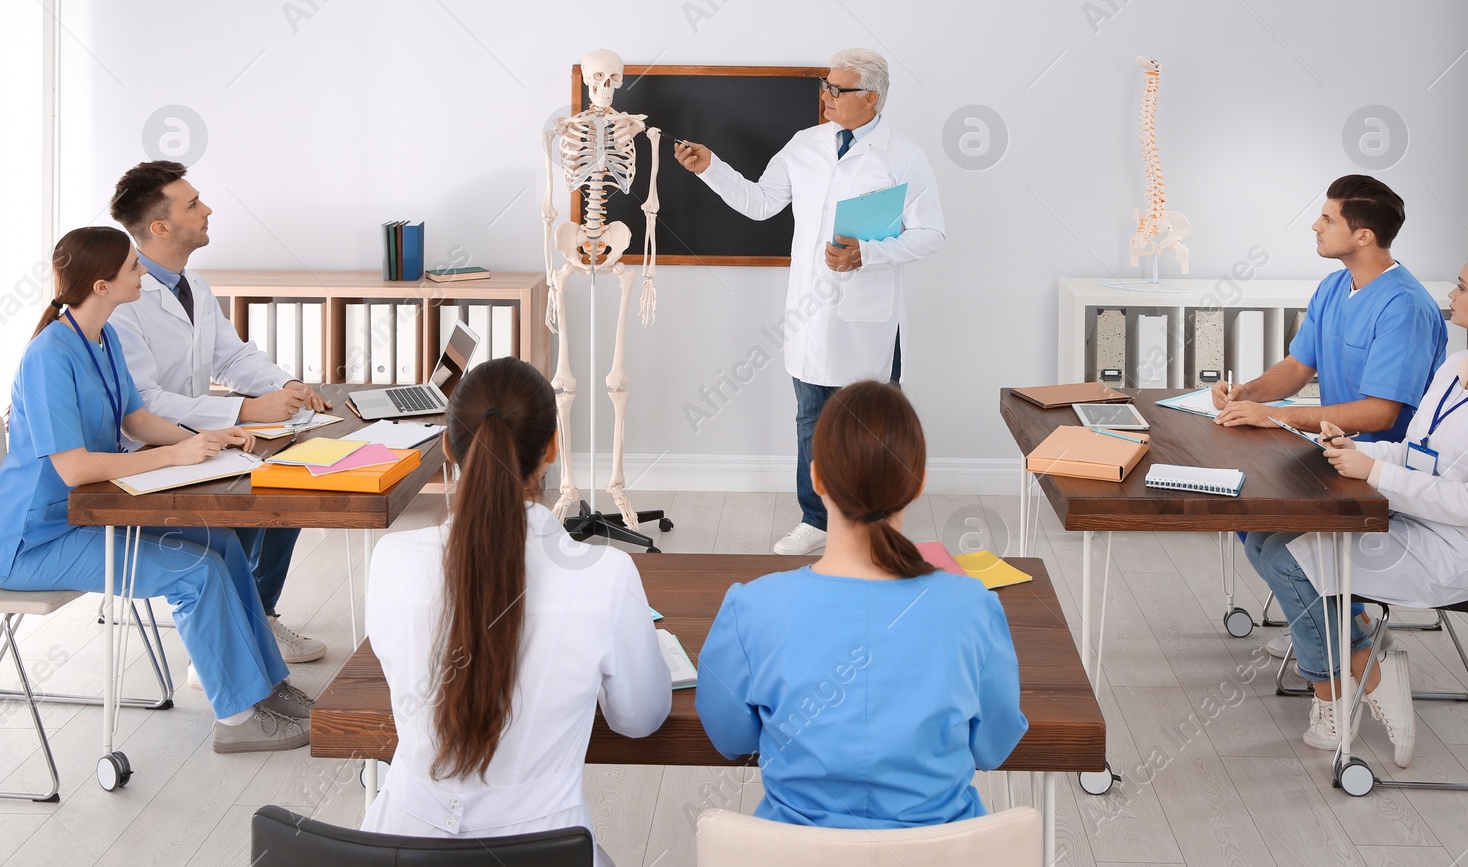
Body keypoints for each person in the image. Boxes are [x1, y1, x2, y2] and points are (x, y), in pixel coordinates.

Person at [0, 227, 315, 753]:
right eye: (134, 267)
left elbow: (137, 419)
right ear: (102, 285)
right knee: (196, 573)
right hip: (34, 541)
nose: (144, 274)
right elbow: (73, 469)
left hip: (86, 515)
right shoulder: (48, 357)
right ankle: (236, 717)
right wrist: (176, 455)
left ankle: (267, 686)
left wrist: (204, 439)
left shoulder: (103, 337)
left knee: (218, 541)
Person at [1245, 251, 1468, 768]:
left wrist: (1375, 474)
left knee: (1287, 557)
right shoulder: (1460, 366)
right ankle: (1367, 661)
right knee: (1266, 537)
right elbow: (1419, 453)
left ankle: (1342, 693)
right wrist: (1358, 449)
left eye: (1462, 287)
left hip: (1454, 551)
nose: (1450, 294)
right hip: (1407, 516)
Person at [362, 357, 670, 864]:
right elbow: (638, 719)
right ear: (553, 446)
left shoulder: (392, 561)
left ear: (446, 446)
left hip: (403, 846)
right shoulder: (606, 577)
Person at [695, 381, 1027, 827]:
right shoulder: (972, 607)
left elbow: (730, 737)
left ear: (816, 479)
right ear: (918, 481)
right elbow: (993, 747)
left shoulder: (751, 609)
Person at [675, 49, 945, 556]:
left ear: (871, 98)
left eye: (837, 90)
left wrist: (869, 254)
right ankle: (816, 519)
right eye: (825, 86)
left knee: (872, 426)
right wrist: (710, 168)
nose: (825, 97)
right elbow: (759, 204)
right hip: (809, 312)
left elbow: (932, 233)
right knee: (810, 420)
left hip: (868, 317)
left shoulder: (902, 155)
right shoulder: (804, 145)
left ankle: (875, 522)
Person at [108, 160, 329, 676]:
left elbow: (232, 358)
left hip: (199, 437)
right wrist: (246, 411)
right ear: (159, 227)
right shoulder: (124, 300)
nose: (206, 210)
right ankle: (229, 631)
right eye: (192, 204)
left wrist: (285, 388)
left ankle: (254, 614)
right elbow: (141, 404)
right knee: (257, 495)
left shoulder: (194, 285)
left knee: (288, 482)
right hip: (148, 452)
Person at [1213, 175, 1448, 657]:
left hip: (1381, 467)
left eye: (1328, 218)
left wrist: (1275, 419)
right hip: (1332, 454)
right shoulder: (1334, 285)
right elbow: (1299, 366)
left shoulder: (1404, 307)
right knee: (1243, 509)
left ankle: (1346, 636)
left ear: (1363, 236)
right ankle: (1331, 620)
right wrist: (1247, 393)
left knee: (1268, 527)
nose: (1315, 226)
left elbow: (1381, 414)